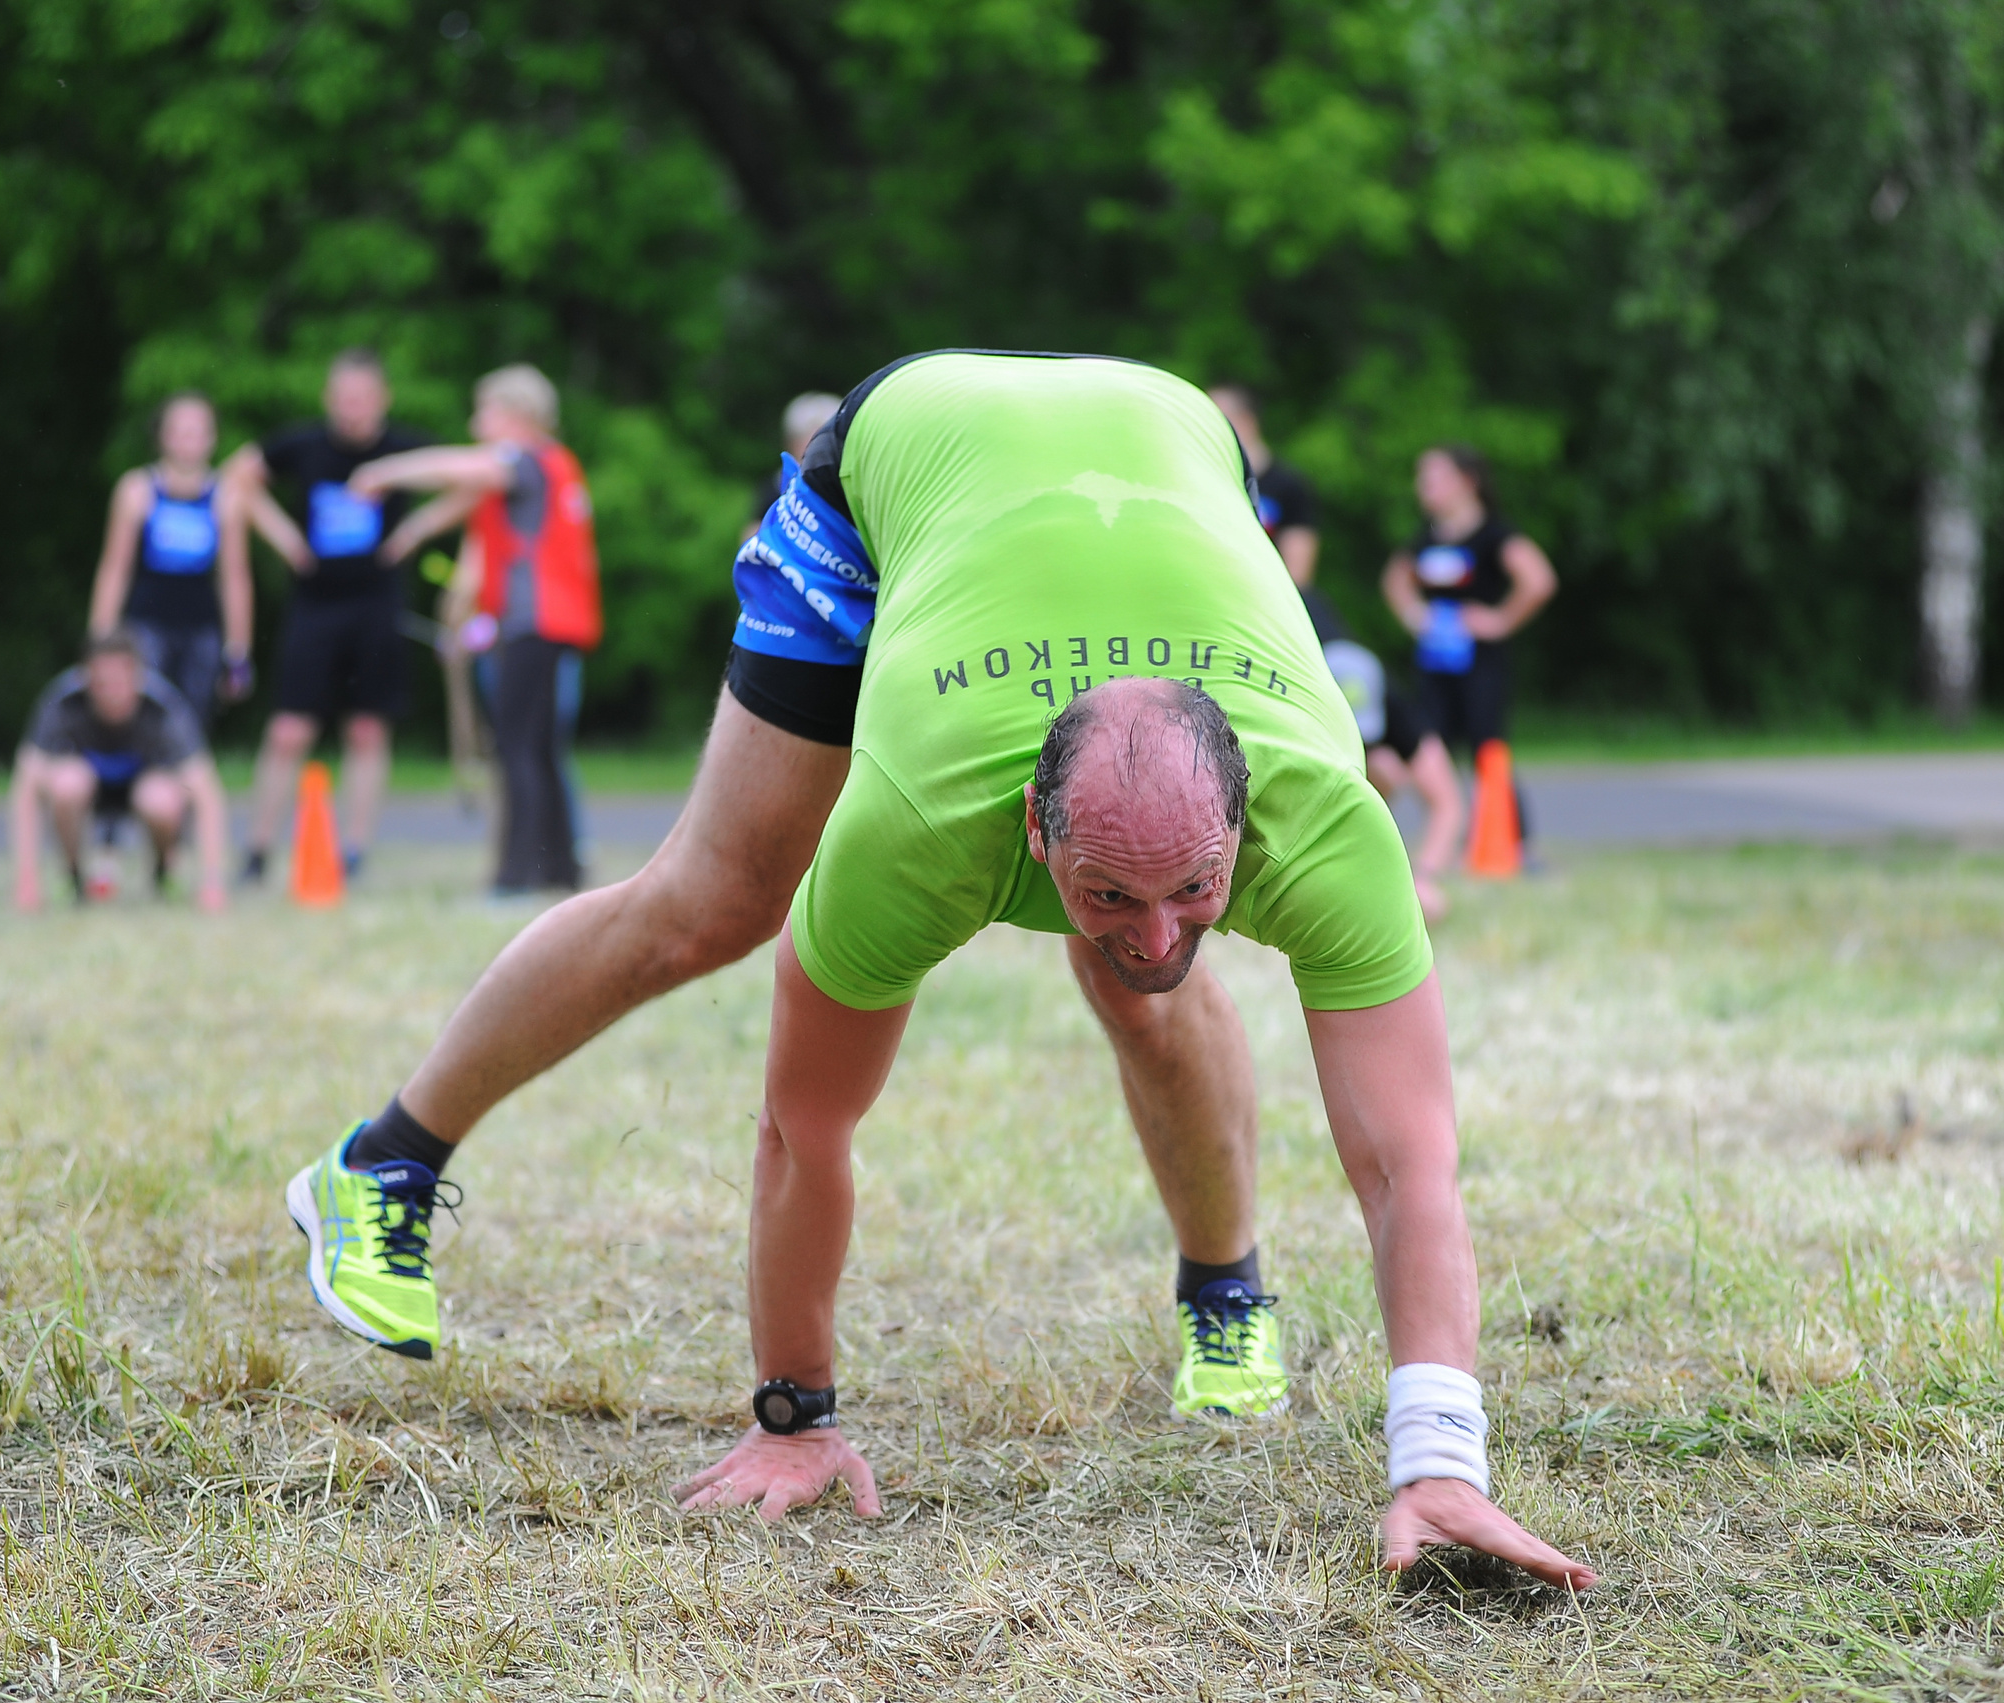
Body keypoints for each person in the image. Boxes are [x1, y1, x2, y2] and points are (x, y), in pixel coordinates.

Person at [282, 351, 1592, 1588]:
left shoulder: (1330, 822)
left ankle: (1224, 1291)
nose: (1154, 931)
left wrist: (1440, 1461)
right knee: (715, 900)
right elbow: (803, 1126)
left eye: (1196, 887)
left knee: (1146, 987)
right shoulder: (916, 819)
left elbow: (1407, 1158)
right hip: (907, 455)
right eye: (1103, 890)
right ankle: (383, 1159)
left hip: (1173, 439)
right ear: (1029, 831)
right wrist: (794, 1415)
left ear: (1248, 828)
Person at [1209, 386, 1465, 915]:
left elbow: (1446, 800)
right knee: (1370, 771)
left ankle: (1363, 857)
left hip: (1296, 642)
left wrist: (1424, 876)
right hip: (1264, 647)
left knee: (1384, 769)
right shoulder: (1285, 683)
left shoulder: (1372, 683)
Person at [349, 364, 600, 895]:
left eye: (485, 410)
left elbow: (460, 469)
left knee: (515, 747)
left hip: (532, 622)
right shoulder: (552, 464)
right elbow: (468, 497)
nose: (475, 422)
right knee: (541, 748)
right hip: (554, 623)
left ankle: (515, 877)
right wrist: (414, 529)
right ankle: (561, 870)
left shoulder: (523, 461)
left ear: (517, 414)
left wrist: (381, 472)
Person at [223, 350, 434, 884]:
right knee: (289, 729)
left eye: (362, 399)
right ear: (328, 399)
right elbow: (237, 476)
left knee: (366, 729)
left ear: (382, 399)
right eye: (343, 399)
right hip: (315, 606)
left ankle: (354, 851)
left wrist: (416, 530)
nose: (352, 409)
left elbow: (472, 479)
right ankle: (257, 850)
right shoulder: (304, 445)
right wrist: (284, 537)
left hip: (376, 603)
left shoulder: (403, 448)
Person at [1381, 446, 1558, 846]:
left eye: (1433, 478)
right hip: (1434, 663)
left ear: (1467, 482)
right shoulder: (1426, 537)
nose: (1423, 487)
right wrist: (1413, 615)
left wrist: (1500, 620)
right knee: (1431, 748)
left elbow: (1538, 579)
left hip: (1481, 663)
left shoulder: (1494, 535)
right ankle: (1447, 832)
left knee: (1487, 747)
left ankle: (1510, 842)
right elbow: (1395, 580)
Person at [7, 632, 228, 911]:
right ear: (86, 677)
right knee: (65, 785)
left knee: (162, 800)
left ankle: (164, 870)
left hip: (145, 788)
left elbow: (207, 793)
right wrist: (26, 880)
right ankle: (73, 876)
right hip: (85, 788)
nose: (112, 693)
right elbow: (25, 786)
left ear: (138, 676)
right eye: (102, 683)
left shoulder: (163, 707)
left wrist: (212, 882)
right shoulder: (62, 702)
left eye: (120, 682)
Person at [86, 391, 253, 734]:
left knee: (192, 725)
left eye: (197, 431)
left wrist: (238, 652)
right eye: (180, 431)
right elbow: (115, 568)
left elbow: (235, 576)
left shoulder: (226, 496)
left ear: (211, 438)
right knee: (142, 720)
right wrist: (100, 641)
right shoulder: (137, 489)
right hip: (146, 625)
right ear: (162, 436)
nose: (188, 441)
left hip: (201, 626)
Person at [741, 392, 843, 545]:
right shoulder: (776, 487)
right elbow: (752, 538)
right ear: (791, 444)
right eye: (810, 439)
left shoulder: (846, 486)